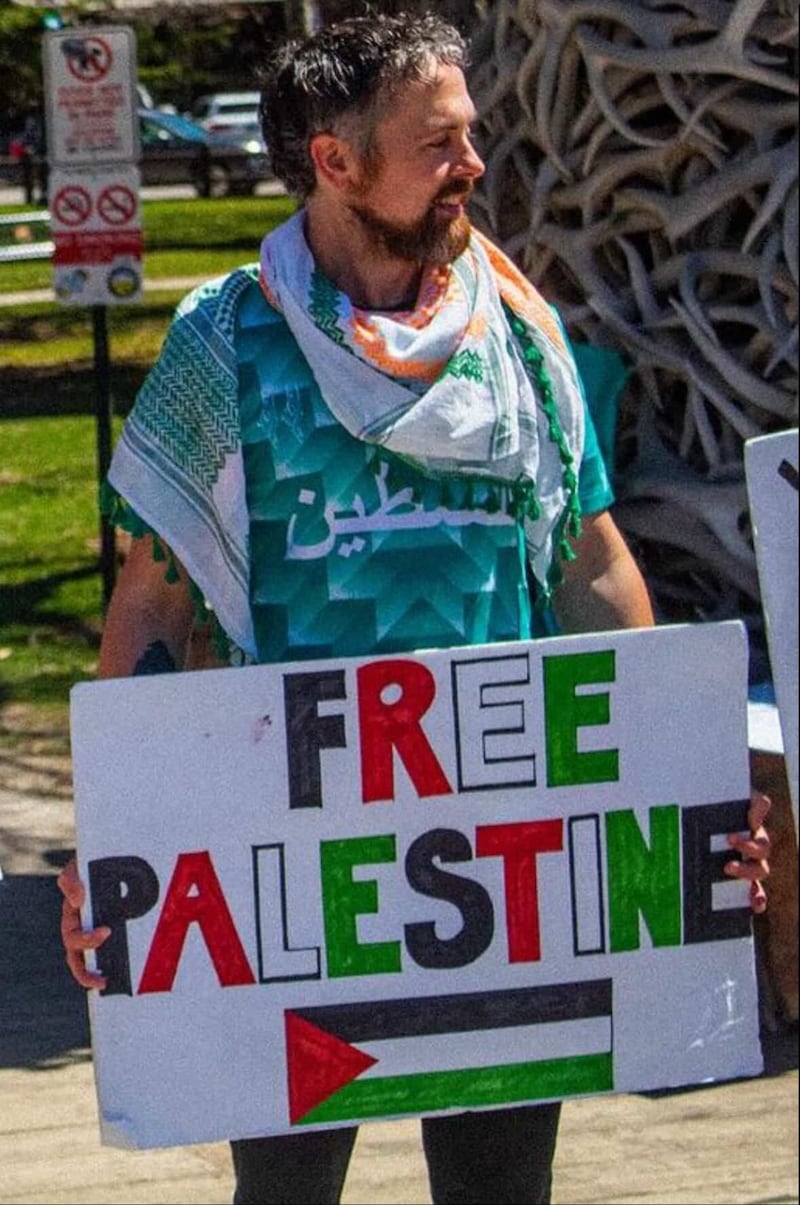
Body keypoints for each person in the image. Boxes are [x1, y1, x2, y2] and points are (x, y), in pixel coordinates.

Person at [58, 12, 771, 1204]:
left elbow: (587, 566)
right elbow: (155, 603)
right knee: (286, 1194)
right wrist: (116, 840)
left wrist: (682, 782)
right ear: (334, 160)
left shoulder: (516, 334)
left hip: (502, 872)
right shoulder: (223, 345)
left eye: (468, 135)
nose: (472, 165)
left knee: (500, 1189)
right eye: (438, 142)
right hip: (283, 882)